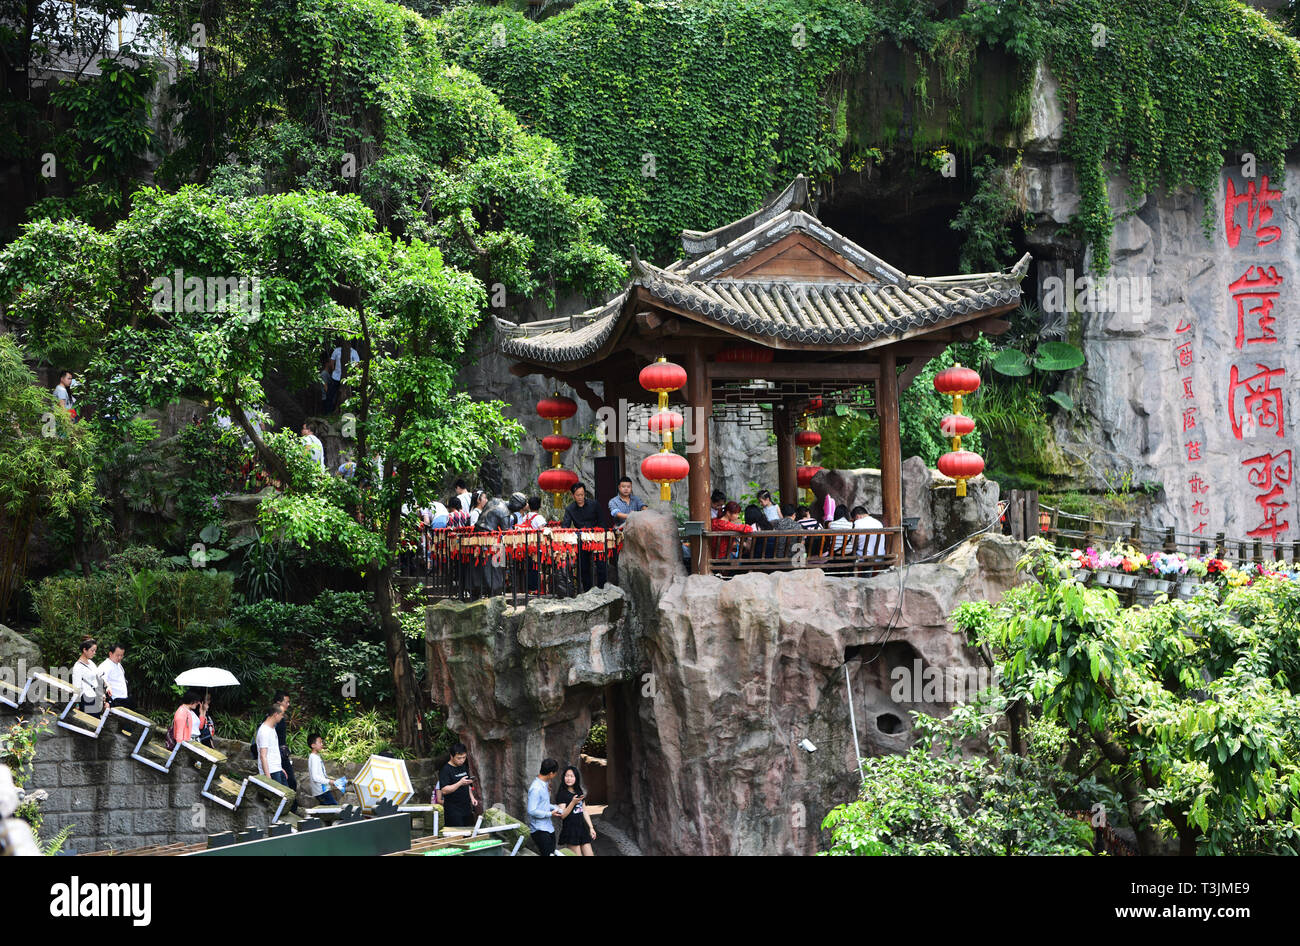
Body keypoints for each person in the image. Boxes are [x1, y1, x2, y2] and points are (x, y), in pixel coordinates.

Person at [563, 482, 606, 590]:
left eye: (582, 494)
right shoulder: (570, 509)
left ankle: (602, 589)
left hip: (596, 538)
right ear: (573, 495)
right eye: (578, 495)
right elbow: (566, 526)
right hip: (581, 539)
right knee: (583, 566)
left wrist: (599, 532)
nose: (581, 497)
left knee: (601, 564)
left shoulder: (594, 504)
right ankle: (587, 590)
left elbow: (602, 522)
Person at [526, 758, 565, 855]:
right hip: (539, 829)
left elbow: (543, 804)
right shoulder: (536, 788)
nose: (555, 775)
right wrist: (550, 813)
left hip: (548, 827)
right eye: (555, 773)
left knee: (552, 853)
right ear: (551, 773)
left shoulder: (544, 784)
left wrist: (554, 807)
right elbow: (532, 810)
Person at [555, 765, 597, 855]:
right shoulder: (562, 794)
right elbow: (562, 815)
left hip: (582, 828)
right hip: (571, 830)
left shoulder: (579, 791)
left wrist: (591, 827)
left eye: (572, 776)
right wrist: (573, 803)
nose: (569, 778)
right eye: (567, 776)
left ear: (576, 778)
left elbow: (584, 811)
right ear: (563, 777)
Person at [438, 742, 480, 828]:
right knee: (458, 834)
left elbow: (467, 784)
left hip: (466, 807)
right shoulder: (445, 770)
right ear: (451, 756)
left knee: (468, 832)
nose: (461, 760)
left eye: (464, 757)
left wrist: (472, 798)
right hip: (453, 810)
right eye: (459, 758)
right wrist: (459, 783)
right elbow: (444, 790)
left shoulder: (463, 766)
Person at [323, 339, 361, 413]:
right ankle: (328, 411)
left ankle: (353, 411)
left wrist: (355, 375)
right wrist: (334, 369)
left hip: (349, 378)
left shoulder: (354, 352)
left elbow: (357, 365)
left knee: (352, 394)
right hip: (336, 376)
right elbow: (332, 361)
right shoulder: (337, 350)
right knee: (331, 394)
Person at [307, 734, 346, 805]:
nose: (322, 744)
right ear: (313, 745)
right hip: (321, 792)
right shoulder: (314, 758)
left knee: (327, 810)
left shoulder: (315, 757)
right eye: (320, 742)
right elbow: (315, 777)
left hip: (322, 790)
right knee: (334, 808)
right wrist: (330, 781)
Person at [257, 704, 288, 786]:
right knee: (279, 797)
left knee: (287, 796)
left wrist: (280, 768)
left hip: (277, 769)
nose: (282, 717)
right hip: (271, 772)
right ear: (275, 714)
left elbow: (273, 751)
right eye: (281, 715)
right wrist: (268, 777)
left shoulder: (272, 728)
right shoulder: (264, 731)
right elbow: (263, 756)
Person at [72, 638, 104, 714]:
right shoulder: (78, 667)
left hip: (95, 697)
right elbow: (76, 687)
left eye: (95, 650)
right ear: (84, 650)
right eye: (92, 650)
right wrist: (76, 704)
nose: (94, 653)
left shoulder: (91, 663)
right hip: (87, 699)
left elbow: (99, 676)